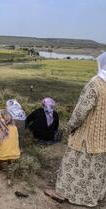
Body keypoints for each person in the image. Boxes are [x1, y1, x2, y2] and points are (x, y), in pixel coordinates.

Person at [44, 52, 106, 207]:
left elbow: (81, 111)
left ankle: (63, 193)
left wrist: (71, 126)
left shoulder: (95, 84)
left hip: (87, 135)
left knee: (73, 165)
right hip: (103, 138)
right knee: (96, 169)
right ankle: (92, 197)